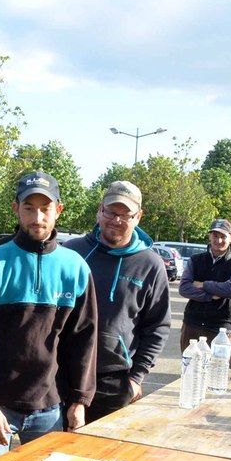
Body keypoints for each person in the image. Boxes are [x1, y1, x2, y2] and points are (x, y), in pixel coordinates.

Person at [0, 171, 96, 461]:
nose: (37, 217)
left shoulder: (75, 267)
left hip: (49, 407)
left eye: (45, 208)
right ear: (16, 208)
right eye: (28, 207)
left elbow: (83, 341)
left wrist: (79, 400)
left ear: (58, 210)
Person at [65, 181, 170, 422]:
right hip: (64, 374)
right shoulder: (72, 253)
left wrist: (136, 379)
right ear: (100, 210)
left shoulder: (150, 264)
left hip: (114, 381)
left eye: (126, 214)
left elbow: (158, 327)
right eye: (111, 212)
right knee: (56, 456)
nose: (116, 220)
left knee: (107, 459)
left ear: (138, 217)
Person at [178, 218, 231, 351]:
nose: (218, 240)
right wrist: (210, 296)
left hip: (220, 328)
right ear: (209, 236)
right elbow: (184, 288)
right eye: (215, 236)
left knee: (215, 370)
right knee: (188, 369)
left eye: (223, 236)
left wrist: (204, 285)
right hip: (192, 323)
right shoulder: (195, 260)